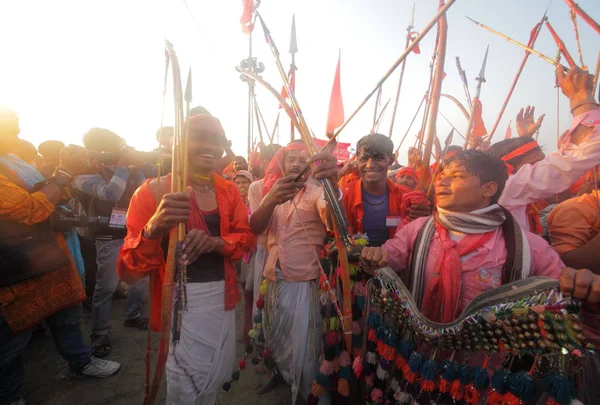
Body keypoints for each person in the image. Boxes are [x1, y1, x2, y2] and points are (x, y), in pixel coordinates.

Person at [118, 114, 255, 405]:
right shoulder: (153, 192)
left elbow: (245, 240)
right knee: (185, 384)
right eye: (199, 137)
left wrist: (216, 242)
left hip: (222, 298)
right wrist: (153, 229)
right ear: (178, 143)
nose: (209, 146)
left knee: (212, 375)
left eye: (216, 140)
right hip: (180, 304)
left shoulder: (229, 191)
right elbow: (129, 272)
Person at [0, 107, 120, 405]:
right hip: (13, 269)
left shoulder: (13, 162)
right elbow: (31, 209)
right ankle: (11, 395)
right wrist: (64, 173)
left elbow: (50, 195)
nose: (15, 133)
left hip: (46, 254)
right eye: (9, 129)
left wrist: (58, 183)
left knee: (66, 315)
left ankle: (81, 362)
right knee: (13, 338)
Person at [361, 150, 565, 323]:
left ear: (488, 188)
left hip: (487, 363)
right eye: (442, 174)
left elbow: (561, 296)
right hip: (419, 351)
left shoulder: (529, 247)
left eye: (457, 176)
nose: (441, 181)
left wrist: (579, 286)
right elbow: (389, 257)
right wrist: (374, 257)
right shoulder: (417, 229)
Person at [250, 140, 339, 403]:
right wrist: (270, 201)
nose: (298, 164)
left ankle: (315, 398)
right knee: (277, 343)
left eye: (305, 160)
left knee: (307, 356)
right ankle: (288, 383)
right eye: (292, 159)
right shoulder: (273, 191)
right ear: (283, 163)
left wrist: (333, 186)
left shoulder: (317, 193)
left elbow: (334, 220)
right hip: (273, 281)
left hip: (304, 285)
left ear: (313, 167)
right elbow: (255, 227)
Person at [491, 65, 600, 232]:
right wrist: (581, 99)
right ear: (510, 170)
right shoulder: (502, 189)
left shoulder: (516, 201)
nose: (544, 168)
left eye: (543, 162)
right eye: (535, 165)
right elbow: (576, 156)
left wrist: (525, 138)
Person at [73, 128, 148, 358]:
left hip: (134, 233)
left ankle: (132, 316)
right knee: (106, 287)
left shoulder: (126, 170)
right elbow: (112, 193)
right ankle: (100, 332)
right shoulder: (82, 175)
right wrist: (124, 167)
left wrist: (137, 168)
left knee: (139, 281)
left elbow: (145, 192)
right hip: (108, 237)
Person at [233, 169, 255, 341]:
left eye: (244, 182)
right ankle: (248, 328)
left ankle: (252, 329)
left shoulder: (257, 200)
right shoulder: (233, 203)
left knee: (253, 292)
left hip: (255, 251)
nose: (241, 186)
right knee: (246, 290)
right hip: (241, 253)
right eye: (238, 183)